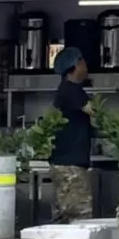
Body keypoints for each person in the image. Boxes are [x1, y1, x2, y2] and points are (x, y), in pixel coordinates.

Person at [49, 46, 95, 222]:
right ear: (75, 66)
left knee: (64, 218)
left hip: (65, 163)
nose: (86, 65)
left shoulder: (68, 90)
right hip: (70, 165)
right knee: (78, 217)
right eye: (82, 60)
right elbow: (96, 112)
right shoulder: (71, 90)